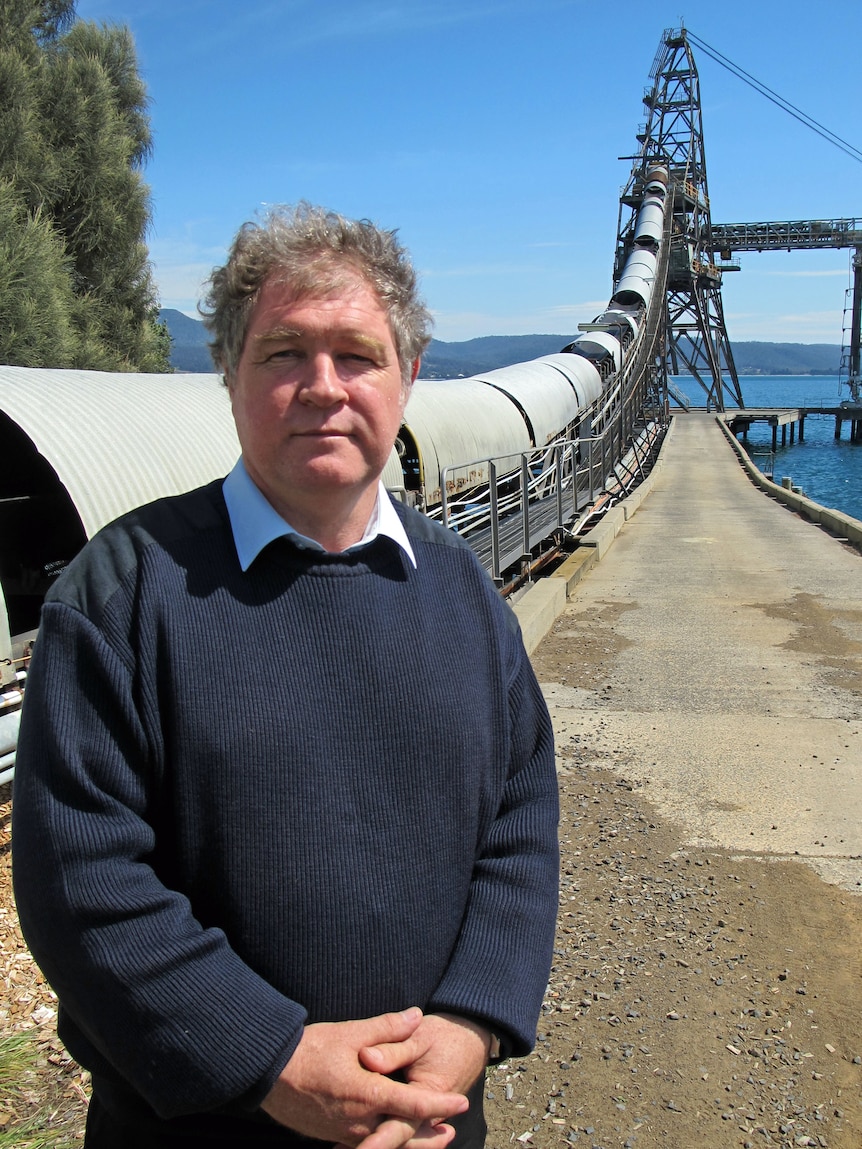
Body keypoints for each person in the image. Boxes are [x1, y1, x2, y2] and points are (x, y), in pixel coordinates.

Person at [12, 204, 559, 1148]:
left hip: (425, 1126)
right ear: (227, 376)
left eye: (358, 354)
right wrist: (268, 1058)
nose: (323, 387)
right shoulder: (126, 590)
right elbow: (79, 878)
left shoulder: (464, 592)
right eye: (282, 355)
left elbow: (521, 826)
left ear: (410, 376)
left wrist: (471, 1024)